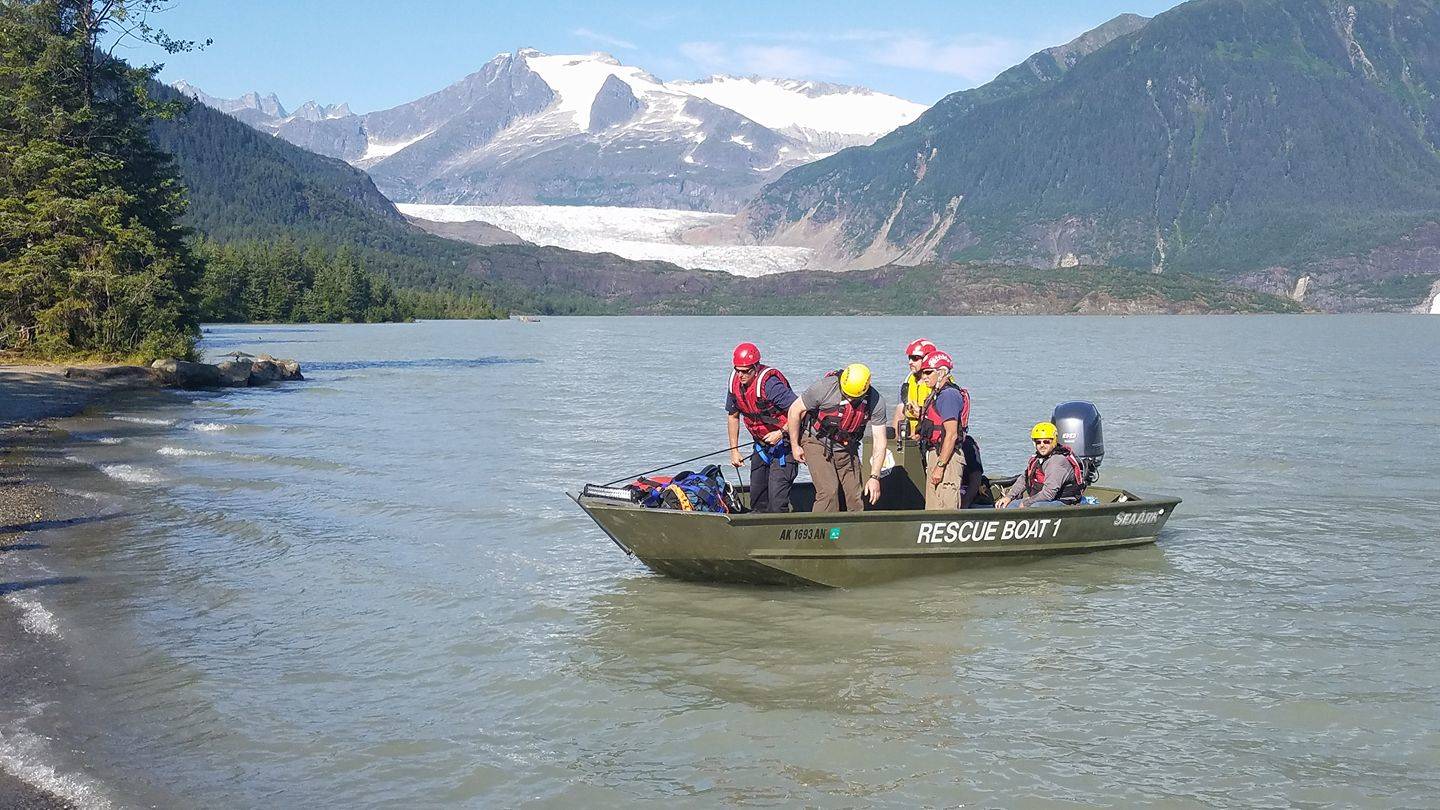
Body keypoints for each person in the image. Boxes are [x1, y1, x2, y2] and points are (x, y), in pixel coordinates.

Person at [786, 363, 889, 513]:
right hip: (816, 440)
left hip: (847, 446)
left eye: (853, 397)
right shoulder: (823, 388)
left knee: (855, 496)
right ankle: (820, 532)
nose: (848, 399)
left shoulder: (876, 401)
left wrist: (875, 477)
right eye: (845, 394)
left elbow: (880, 441)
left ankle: (854, 533)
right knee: (828, 492)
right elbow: (794, 411)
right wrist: (795, 446)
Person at [725, 342, 798, 513]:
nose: (740, 375)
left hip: (784, 445)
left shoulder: (770, 385)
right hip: (761, 446)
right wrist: (734, 451)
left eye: (745, 371)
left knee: (776, 501)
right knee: (757, 499)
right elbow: (733, 416)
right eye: (737, 370)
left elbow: (798, 411)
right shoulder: (734, 383)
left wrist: (780, 433)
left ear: (756, 367)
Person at [913, 351, 969, 510]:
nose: (924, 377)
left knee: (946, 508)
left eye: (928, 372)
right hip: (935, 454)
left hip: (947, 459)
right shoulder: (937, 395)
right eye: (922, 373)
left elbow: (950, 435)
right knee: (932, 508)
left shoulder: (948, 395)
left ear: (942, 372)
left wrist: (940, 465)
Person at [995, 422, 1085, 509]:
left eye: (1046, 442)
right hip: (1042, 499)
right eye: (1038, 442)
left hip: (1062, 502)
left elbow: (1049, 494)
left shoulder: (1056, 461)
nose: (1042, 445)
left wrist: (1027, 502)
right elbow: (1024, 479)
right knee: (1008, 505)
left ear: (1053, 441)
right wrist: (1009, 497)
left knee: (1034, 507)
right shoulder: (1038, 458)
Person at [892, 338, 937, 439]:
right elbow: (902, 410)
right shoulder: (908, 381)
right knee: (900, 408)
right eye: (909, 358)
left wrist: (921, 414)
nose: (910, 362)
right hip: (909, 433)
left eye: (915, 358)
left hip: (930, 433)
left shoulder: (938, 383)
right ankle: (895, 446)